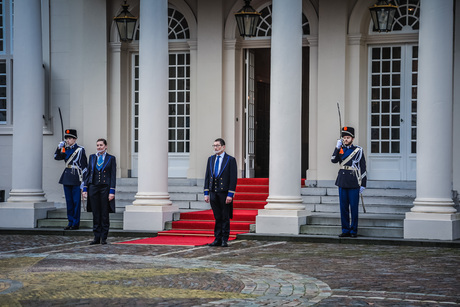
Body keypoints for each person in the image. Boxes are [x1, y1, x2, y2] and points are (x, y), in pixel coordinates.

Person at [331, 126, 367, 238]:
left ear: (352, 138)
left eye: (348, 137)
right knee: (343, 208)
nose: (345, 139)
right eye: (344, 138)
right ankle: (345, 229)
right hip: (342, 181)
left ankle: (353, 230)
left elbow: (363, 167)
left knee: (354, 208)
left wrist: (363, 184)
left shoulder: (358, 150)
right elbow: (333, 160)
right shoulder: (340, 149)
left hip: (353, 181)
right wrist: (336, 148)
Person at [204, 138, 238, 247]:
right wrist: (206, 193)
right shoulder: (211, 159)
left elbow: (233, 179)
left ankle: (224, 239)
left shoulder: (230, 160)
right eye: (214, 145)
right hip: (213, 192)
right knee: (217, 216)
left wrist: (230, 194)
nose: (215, 148)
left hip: (224, 193)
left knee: (225, 216)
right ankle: (217, 238)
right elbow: (207, 176)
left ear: (223, 147)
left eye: (217, 145)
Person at [82, 138, 116, 245]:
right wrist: (85, 188)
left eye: (101, 145)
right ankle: (96, 237)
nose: (99, 147)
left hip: (105, 188)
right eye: (97, 145)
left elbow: (113, 176)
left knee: (104, 213)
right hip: (93, 187)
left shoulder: (111, 158)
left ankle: (104, 237)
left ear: (106, 146)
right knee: (95, 213)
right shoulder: (92, 157)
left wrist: (112, 191)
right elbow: (87, 174)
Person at [54, 129, 87, 230]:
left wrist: (84, 182)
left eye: (70, 138)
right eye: (67, 138)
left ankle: (76, 223)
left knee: (76, 202)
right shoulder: (65, 149)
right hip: (67, 177)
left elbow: (85, 167)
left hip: (76, 177)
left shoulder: (80, 150)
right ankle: (70, 222)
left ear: (75, 139)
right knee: (69, 201)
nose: (68, 140)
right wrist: (58, 148)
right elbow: (57, 157)